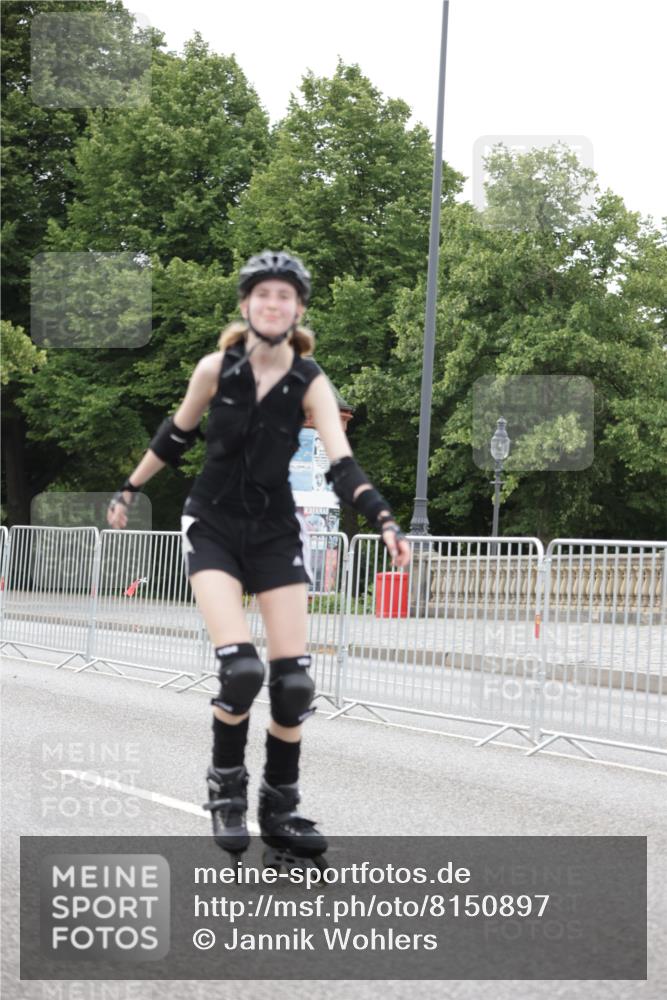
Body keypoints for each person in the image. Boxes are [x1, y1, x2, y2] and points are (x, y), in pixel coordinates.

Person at [107, 250, 411, 864]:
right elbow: (176, 435)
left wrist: (382, 516)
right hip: (213, 524)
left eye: (285, 296)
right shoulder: (214, 369)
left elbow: (341, 461)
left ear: (298, 309)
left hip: (274, 531)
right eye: (263, 294)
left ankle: (280, 807)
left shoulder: (311, 380)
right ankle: (225, 790)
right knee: (242, 670)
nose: (274, 305)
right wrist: (130, 488)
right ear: (246, 304)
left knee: (294, 684)